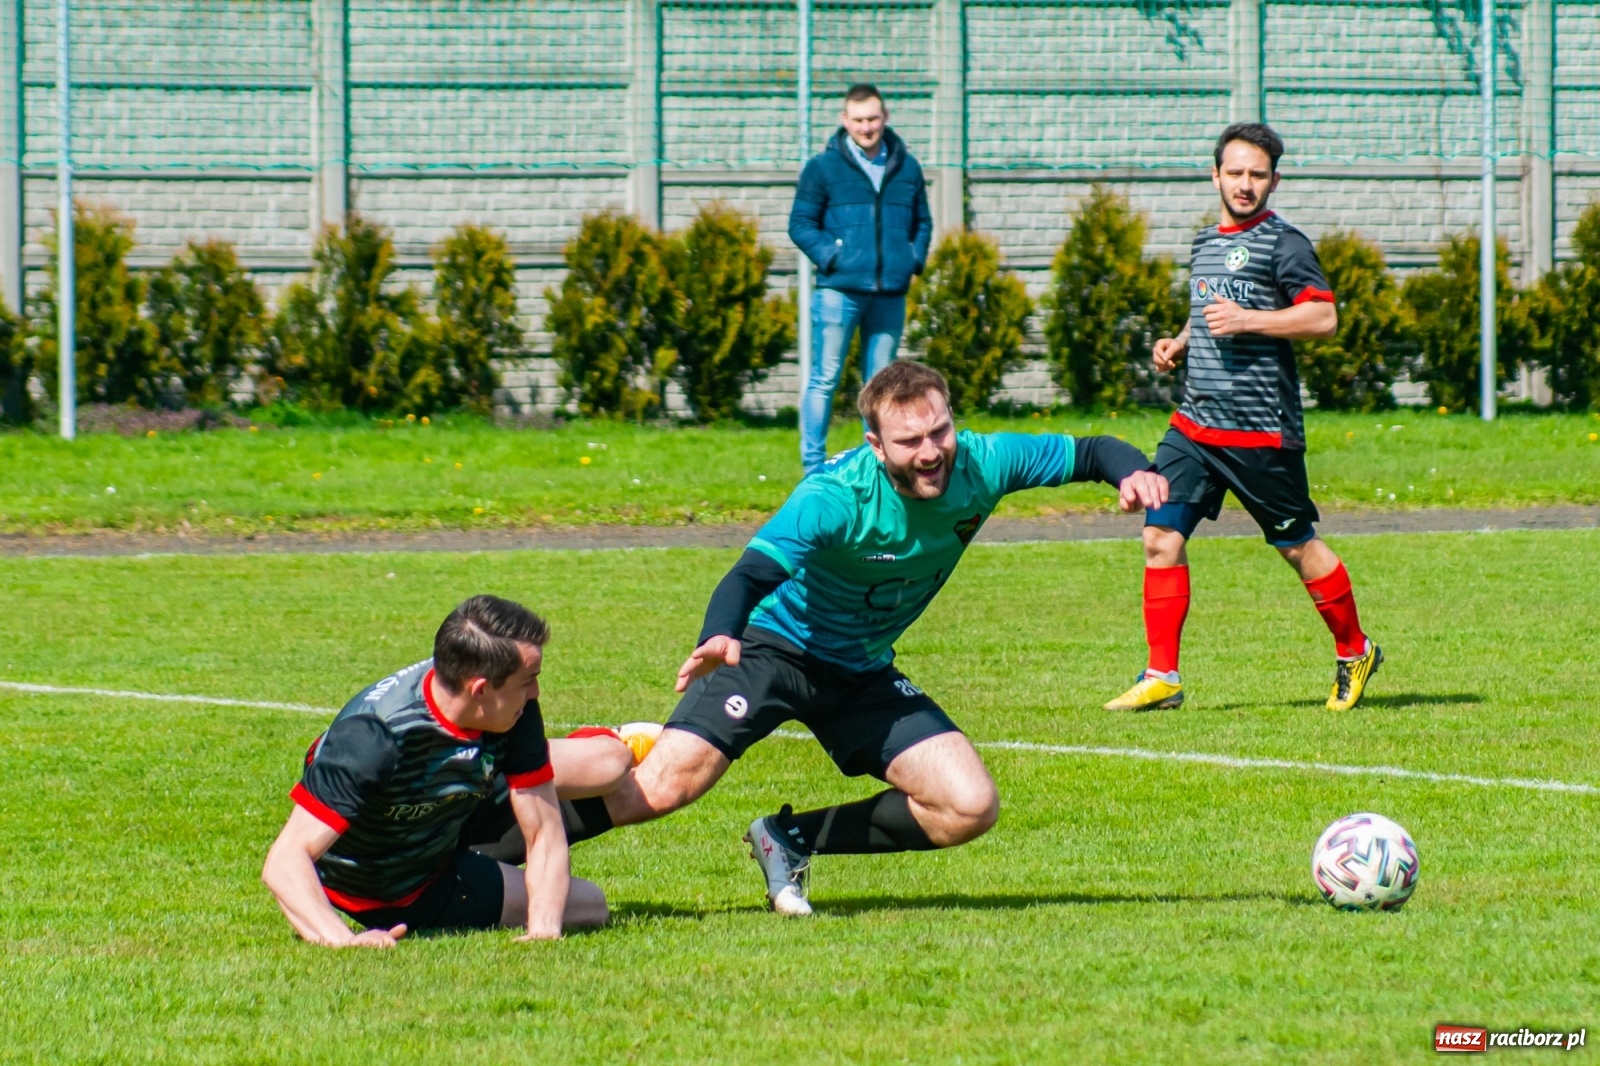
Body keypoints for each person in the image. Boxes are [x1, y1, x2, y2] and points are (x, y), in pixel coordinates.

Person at [557, 361, 1168, 916]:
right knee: (664, 788)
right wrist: (720, 635)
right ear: (876, 445)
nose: (931, 453)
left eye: (940, 432)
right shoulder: (836, 497)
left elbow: (1091, 450)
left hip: (861, 669)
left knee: (969, 806)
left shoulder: (984, 462)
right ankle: (495, 842)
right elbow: (749, 574)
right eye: (909, 442)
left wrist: (1134, 470)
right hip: (775, 647)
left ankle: (788, 839)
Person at [1103, 122, 1382, 715]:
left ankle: (1354, 649)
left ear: (1274, 180)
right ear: (1216, 175)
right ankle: (1162, 675)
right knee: (1159, 536)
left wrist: (1251, 320)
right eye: (1235, 172)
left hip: (1260, 431)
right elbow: (1211, 312)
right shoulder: (1205, 241)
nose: (1245, 184)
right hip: (1194, 427)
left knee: (1297, 545)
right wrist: (1180, 341)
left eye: (1258, 174)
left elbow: (1322, 319)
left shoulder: (1286, 244)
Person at [261, 594, 655, 947]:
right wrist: (341, 939)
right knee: (585, 904)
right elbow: (285, 860)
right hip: (380, 887)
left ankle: (607, 744)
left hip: (444, 827)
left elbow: (543, 829)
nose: (535, 693)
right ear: (481, 689)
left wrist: (543, 930)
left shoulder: (513, 712)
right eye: (528, 681)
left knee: (592, 885)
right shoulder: (373, 737)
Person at [789, 83, 934, 474]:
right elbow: (801, 224)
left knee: (880, 389)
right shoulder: (822, 168)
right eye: (857, 120)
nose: (866, 127)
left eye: (872, 119)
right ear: (844, 120)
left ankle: (873, 468)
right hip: (838, 293)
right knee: (824, 379)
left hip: (889, 294)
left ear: (884, 118)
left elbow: (922, 222)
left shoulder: (908, 167)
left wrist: (912, 259)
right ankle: (813, 470)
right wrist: (833, 256)